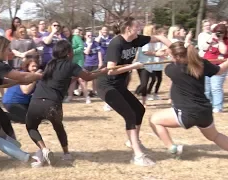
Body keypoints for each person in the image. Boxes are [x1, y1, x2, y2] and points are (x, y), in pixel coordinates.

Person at [96, 17, 172, 166]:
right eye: (137, 26)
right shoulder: (116, 43)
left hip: (119, 85)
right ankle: (138, 155)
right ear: (128, 29)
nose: (140, 29)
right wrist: (132, 67)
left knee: (139, 110)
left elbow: (160, 37)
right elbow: (111, 70)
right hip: (106, 85)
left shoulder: (136, 39)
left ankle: (133, 141)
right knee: (130, 114)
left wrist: (175, 50)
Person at [25, 40, 108, 166]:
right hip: (52, 104)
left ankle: (44, 149)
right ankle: (66, 153)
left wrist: (75, 76)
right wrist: (103, 71)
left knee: (31, 127)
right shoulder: (71, 65)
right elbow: (88, 77)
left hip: (36, 101)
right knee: (58, 127)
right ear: (69, 53)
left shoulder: (50, 65)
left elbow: (61, 80)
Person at [149, 41, 228, 157]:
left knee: (154, 120)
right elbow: (220, 70)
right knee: (215, 136)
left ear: (176, 56)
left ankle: (172, 149)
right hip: (204, 111)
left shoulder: (171, 69)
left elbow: (176, 62)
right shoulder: (201, 63)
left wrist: (163, 55)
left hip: (186, 113)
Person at [2, 55, 40, 124]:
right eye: (33, 66)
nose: (35, 68)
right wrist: (34, 78)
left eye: (36, 66)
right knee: (26, 120)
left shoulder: (35, 75)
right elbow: (25, 91)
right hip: (12, 102)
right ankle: (3, 115)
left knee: (36, 117)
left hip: (23, 102)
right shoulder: (23, 75)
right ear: (27, 66)